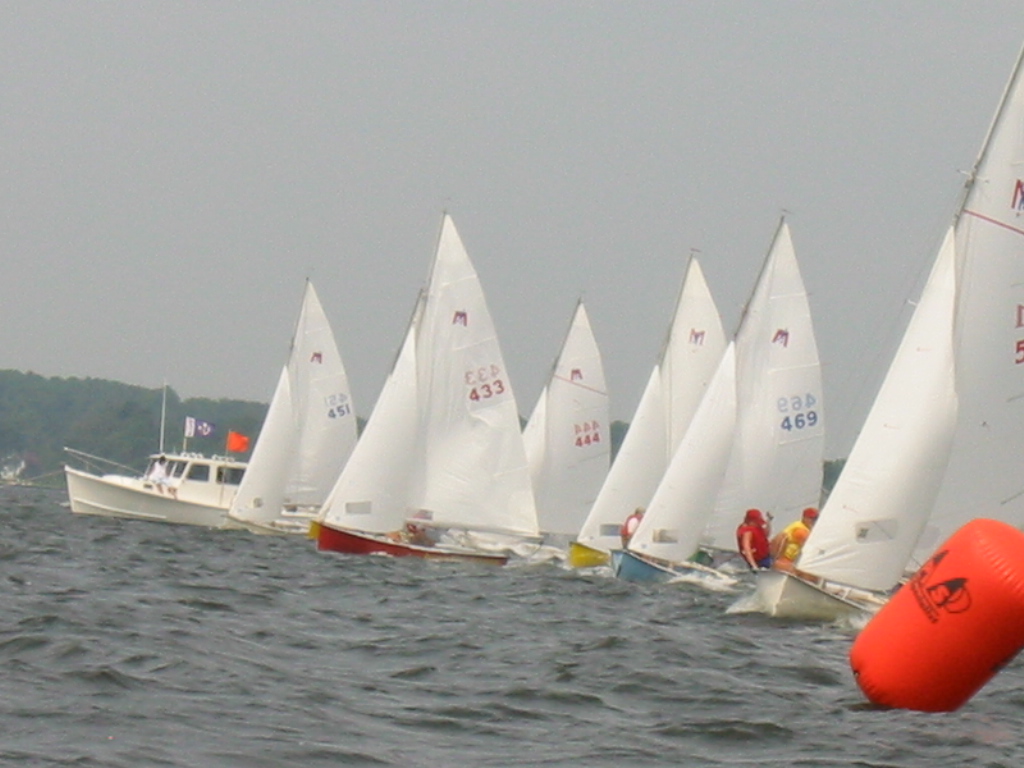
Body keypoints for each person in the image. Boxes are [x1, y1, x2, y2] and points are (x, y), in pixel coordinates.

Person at [771, 507, 818, 573]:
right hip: (784, 559)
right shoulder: (800, 529)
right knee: (807, 573)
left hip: (788, 560)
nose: (813, 521)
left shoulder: (800, 526)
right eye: (811, 518)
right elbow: (810, 547)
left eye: (815, 519)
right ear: (804, 517)